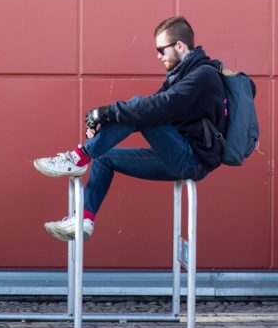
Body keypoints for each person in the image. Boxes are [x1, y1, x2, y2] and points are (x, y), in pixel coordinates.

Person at [33, 16, 226, 241]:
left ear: (180, 46)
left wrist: (105, 111)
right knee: (105, 157)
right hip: (176, 156)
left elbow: (151, 109)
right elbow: (144, 112)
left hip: (192, 160)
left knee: (139, 107)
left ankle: (78, 158)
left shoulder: (203, 76)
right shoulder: (181, 76)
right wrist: (105, 121)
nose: (158, 55)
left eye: (161, 50)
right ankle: (84, 218)